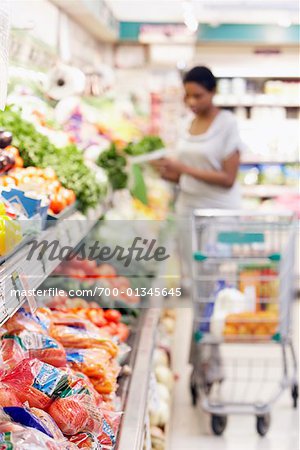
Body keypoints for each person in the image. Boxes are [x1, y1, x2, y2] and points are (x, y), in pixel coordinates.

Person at [155, 66, 245, 386]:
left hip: (220, 216)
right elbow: (182, 173)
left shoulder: (227, 124)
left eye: (198, 95)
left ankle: (209, 358)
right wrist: (166, 170)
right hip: (187, 212)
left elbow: (228, 178)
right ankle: (203, 358)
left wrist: (184, 168)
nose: (192, 101)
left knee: (213, 289)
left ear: (213, 92)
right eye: (187, 95)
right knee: (195, 287)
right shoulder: (185, 124)